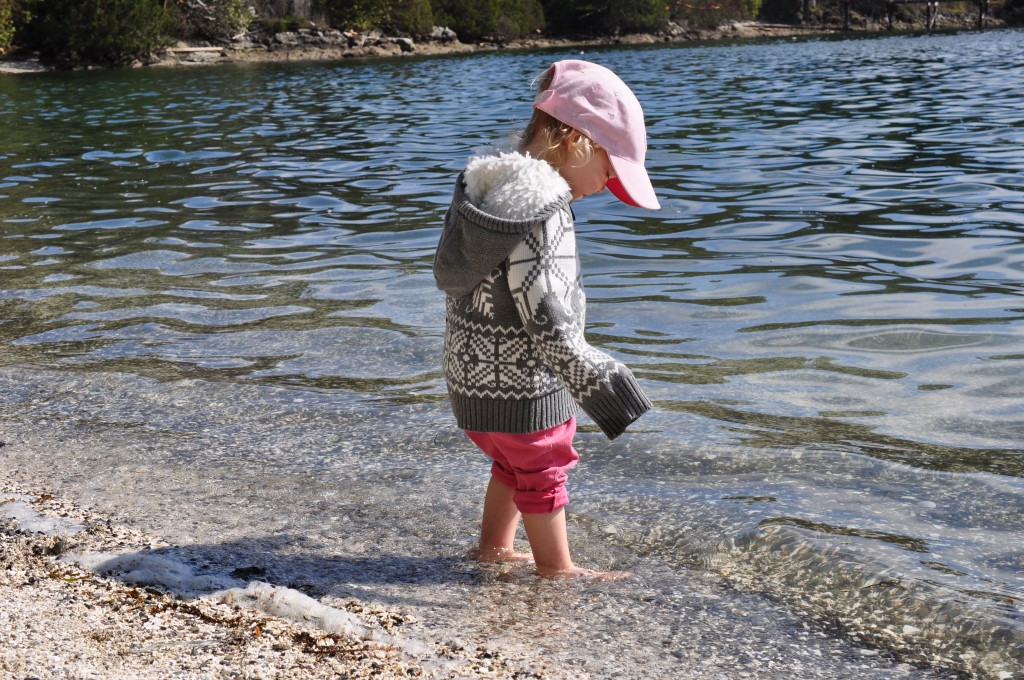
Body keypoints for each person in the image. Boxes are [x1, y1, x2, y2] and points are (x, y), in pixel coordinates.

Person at [433, 59, 660, 579]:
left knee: (511, 464)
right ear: (576, 141)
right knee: (543, 470)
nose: (606, 187)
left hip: (471, 383)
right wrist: (599, 379)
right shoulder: (545, 214)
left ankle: (493, 548)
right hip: (526, 382)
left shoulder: (482, 194)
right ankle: (557, 568)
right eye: (608, 170)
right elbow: (549, 319)